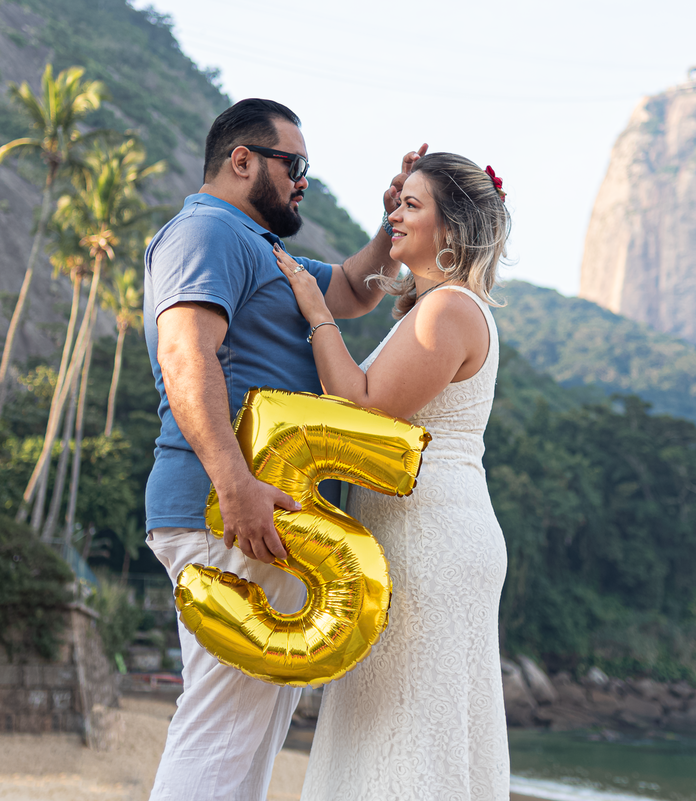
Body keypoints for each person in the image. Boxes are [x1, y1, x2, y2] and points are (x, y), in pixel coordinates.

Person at [141, 96, 426, 801]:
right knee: (221, 732)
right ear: (242, 160)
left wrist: (389, 222)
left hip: (255, 508)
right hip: (230, 507)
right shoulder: (206, 233)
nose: (302, 179)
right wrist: (234, 484)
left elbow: (357, 291)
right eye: (293, 164)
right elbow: (185, 356)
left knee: (243, 733)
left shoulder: (259, 244)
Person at [273, 152, 511, 800]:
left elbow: (364, 406)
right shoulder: (430, 306)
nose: (395, 215)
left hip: (430, 533)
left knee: (410, 716)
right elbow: (377, 276)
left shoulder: (448, 311)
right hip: (418, 526)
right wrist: (390, 227)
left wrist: (314, 309)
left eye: (412, 205)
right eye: (396, 203)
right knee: (393, 712)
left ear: (453, 227)